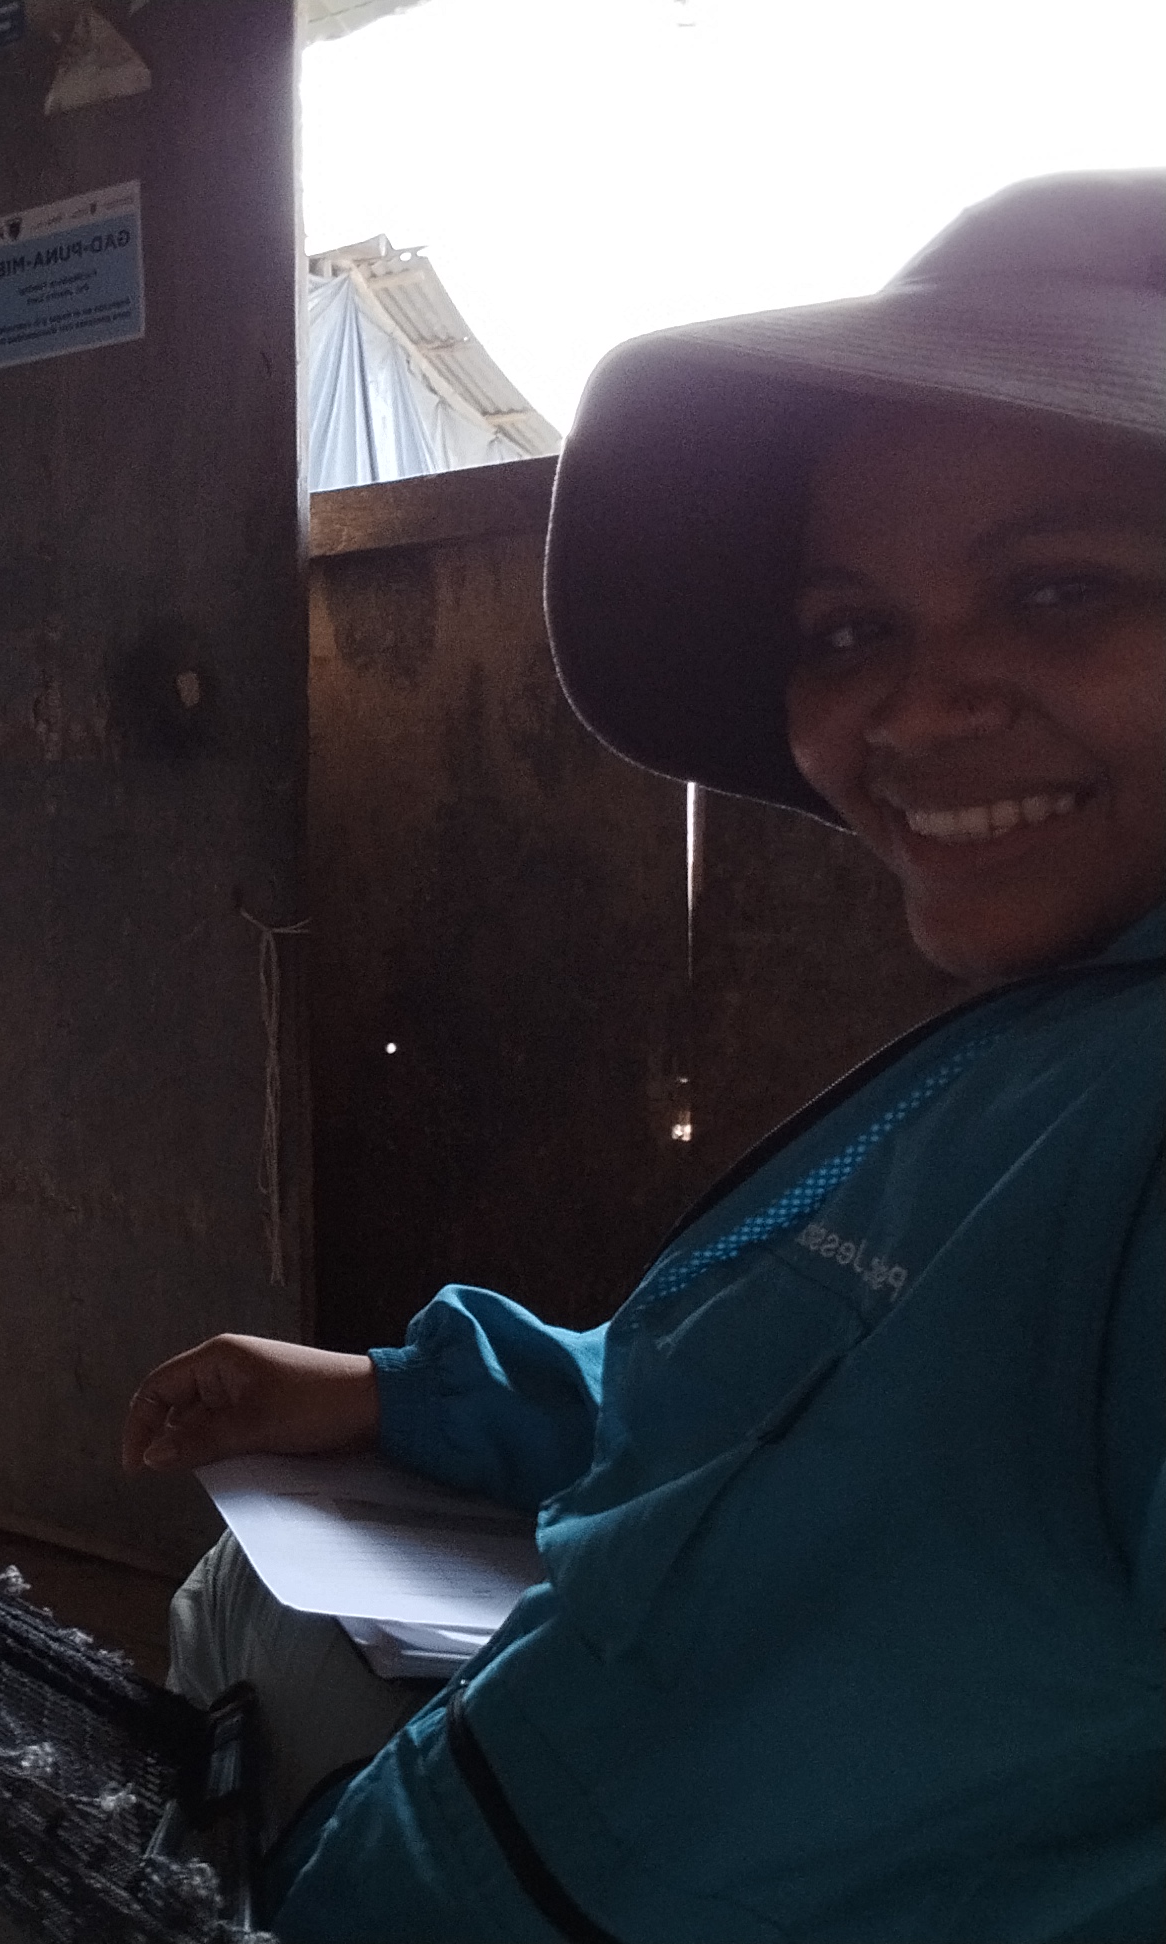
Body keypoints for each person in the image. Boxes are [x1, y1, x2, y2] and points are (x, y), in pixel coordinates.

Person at [128, 171, 1163, 1941]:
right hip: (458, 1813)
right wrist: (390, 1394)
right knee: (243, 1582)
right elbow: (771, 1386)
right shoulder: (1046, 1050)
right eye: (849, 631)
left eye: (1058, 589)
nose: (915, 708)